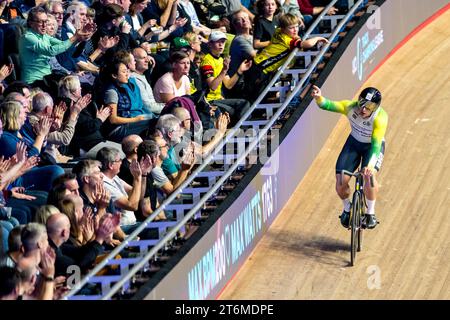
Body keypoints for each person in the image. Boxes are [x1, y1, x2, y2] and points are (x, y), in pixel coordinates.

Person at [311, 85, 388, 229]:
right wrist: (318, 98)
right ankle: (347, 208)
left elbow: (376, 146)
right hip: (353, 143)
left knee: (369, 178)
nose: (363, 109)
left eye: (368, 107)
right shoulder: (351, 107)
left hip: (372, 147)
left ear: (375, 107)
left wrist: (370, 166)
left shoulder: (380, 118)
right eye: (362, 104)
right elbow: (328, 105)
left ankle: (370, 213)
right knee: (340, 181)